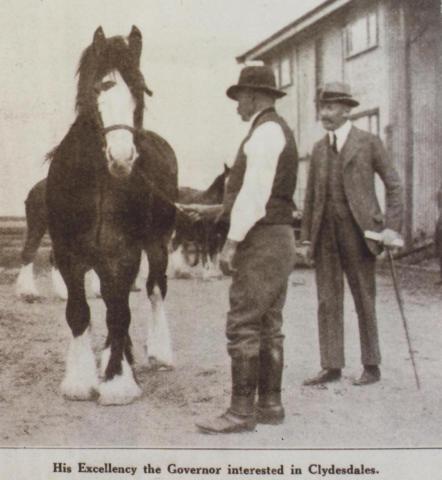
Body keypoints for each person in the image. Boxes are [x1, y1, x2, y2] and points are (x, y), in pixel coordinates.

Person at [180, 65, 298, 433]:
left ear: (252, 96)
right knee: (269, 324)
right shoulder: (275, 131)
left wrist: (230, 244)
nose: (237, 107)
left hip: (261, 240)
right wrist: (211, 210)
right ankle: (270, 405)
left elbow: (254, 196)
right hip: (278, 236)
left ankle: (240, 412)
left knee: (244, 323)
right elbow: (264, 197)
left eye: (239, 99)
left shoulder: (263, 134)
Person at [300, 82, 403, 386]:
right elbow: (310, 198)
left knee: (364, 299)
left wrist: (391, 229)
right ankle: (331, 365)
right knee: (327, 301)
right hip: (325, 236)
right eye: (322, 108)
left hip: (361, 234)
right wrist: (306, 237)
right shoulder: (319, 149)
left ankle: (371, 365)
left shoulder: (368, 143)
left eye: (331, 108)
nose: (325, 114)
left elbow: (394, 186)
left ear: (346, 110)